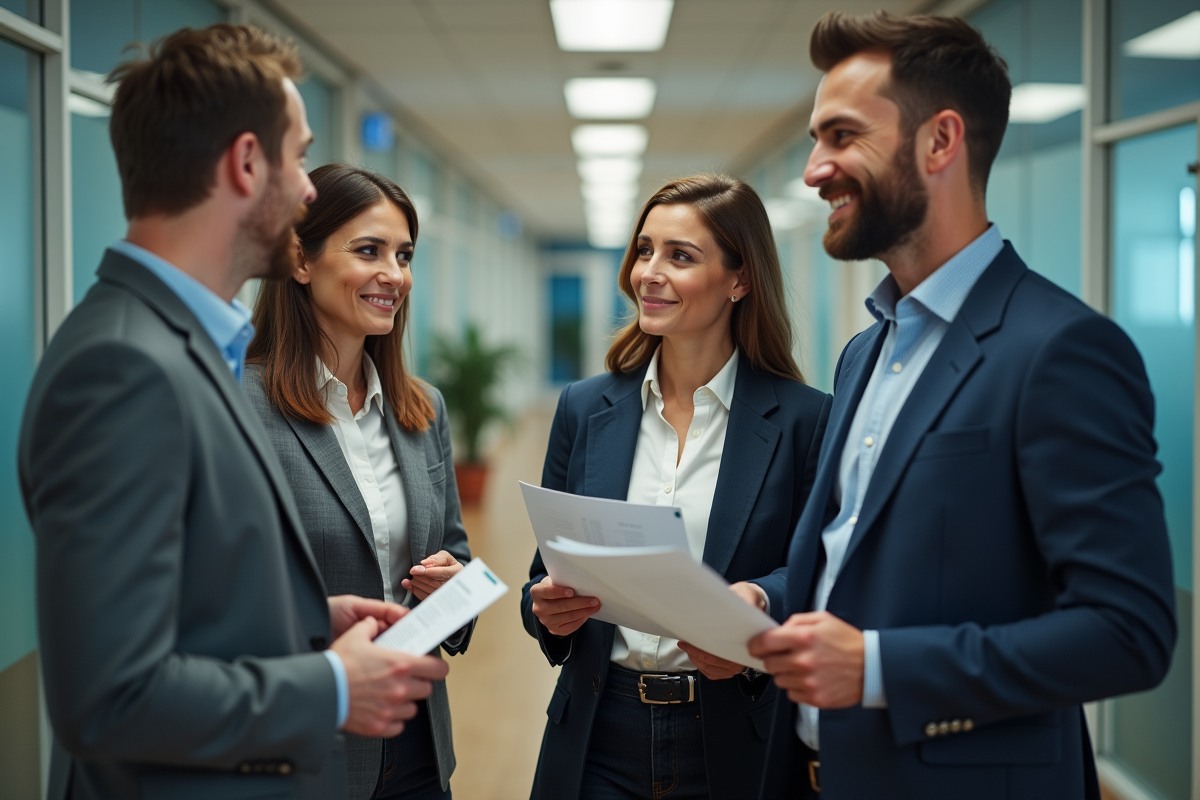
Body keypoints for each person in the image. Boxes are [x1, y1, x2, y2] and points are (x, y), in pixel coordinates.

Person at [748, 12, 1177, 800]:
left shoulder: (1061, 350)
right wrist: (766, 602)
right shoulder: (864, 349)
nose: (814, 170)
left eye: (841, 136)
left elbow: (1129, 634)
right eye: (815, 140)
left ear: (940, 142)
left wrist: (878, 668)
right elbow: (859, 558)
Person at [18, 25, 448, 800]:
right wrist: (331, 686)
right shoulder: (123, 368)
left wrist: (306, 621)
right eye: (298, 157)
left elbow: (184, 606)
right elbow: (107, 699)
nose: (310, 189)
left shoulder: (188, 346)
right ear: (247, 163)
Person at [521, 174, 832, 800]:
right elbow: (543, 577)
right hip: (597, 733)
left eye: (680, 256)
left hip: (733, 738)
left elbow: (819, 571)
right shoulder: (585, 409)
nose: (649, 273)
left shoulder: (805, 421)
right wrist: (545, 609)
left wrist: (761, 603)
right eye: (644, 250)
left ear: (740, 279)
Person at [244, 163, 473, 800]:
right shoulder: (237, 405)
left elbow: (455, 548)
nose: (394, 275)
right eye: (367, 250)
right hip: (306, 745)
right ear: (300, 261)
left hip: (418, 740)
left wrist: (451, 588)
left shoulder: (420, 408)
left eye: (404, 255)